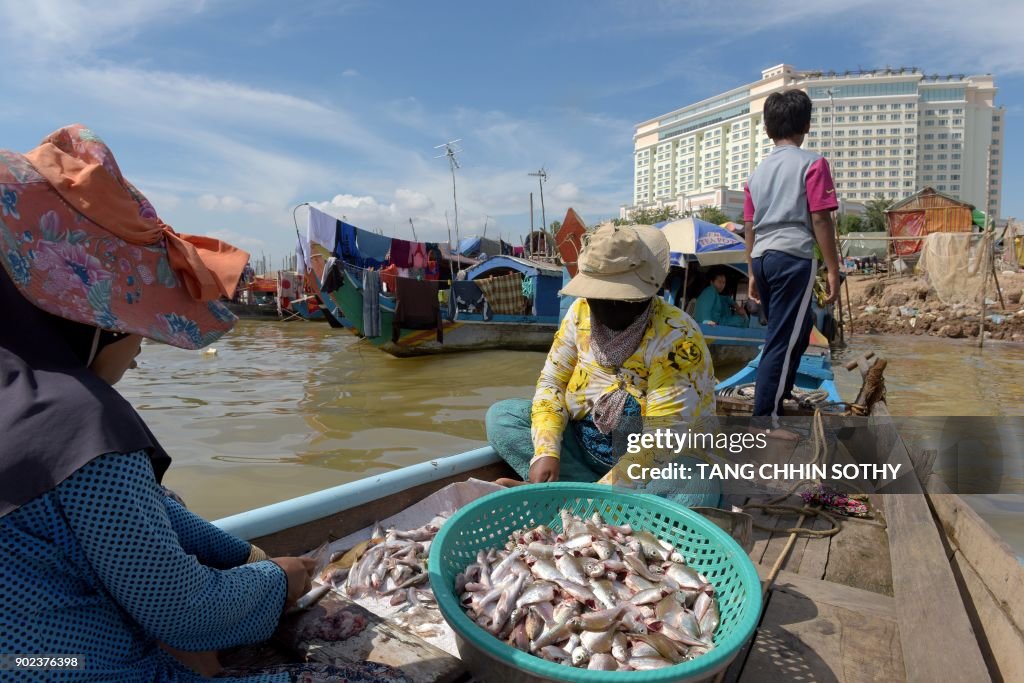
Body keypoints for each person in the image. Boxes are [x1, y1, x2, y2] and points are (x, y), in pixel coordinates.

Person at [0, 125, 407, 683]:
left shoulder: (24, 400)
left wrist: (244, 557)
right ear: (91, 322)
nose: (140, 352)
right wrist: (280, 580)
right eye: (137, 328)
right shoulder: (77, 419)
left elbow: (150, 509)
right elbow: (193, 616)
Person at [485, 224, 720, 505]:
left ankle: (580, 502)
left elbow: (661, 439)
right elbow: (552, 382)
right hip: (586, 448)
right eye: (599, 297)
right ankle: (594, 502)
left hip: (650, 466)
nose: (608, 307)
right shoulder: (579, 312)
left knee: (694, 480)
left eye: (620, 298)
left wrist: (592, 501)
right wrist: (547, 451)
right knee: (503, 417)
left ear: (646, 292)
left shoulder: (678, 336)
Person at [742, 90, 840, 438]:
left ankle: (776, 397)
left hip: (763, 256)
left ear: (768, 129)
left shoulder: (757, 174)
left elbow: (750, 225)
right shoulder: (812, 163)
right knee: (781, 338)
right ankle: (765, 420)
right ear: (806, 125)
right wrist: (833, 268)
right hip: (792, 255)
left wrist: (753, 270)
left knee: (801, 329)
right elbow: (821, 220)